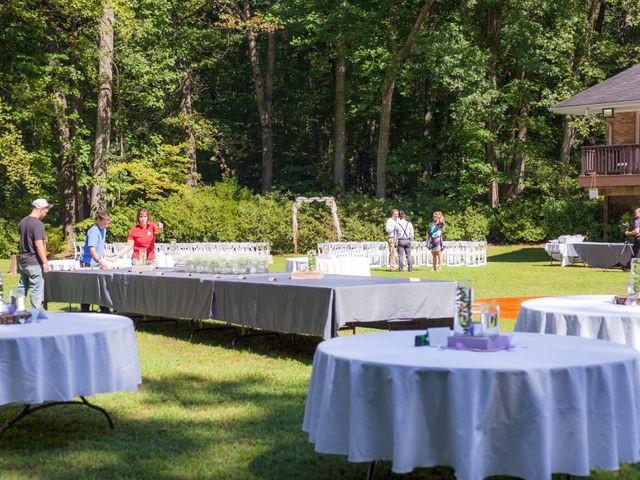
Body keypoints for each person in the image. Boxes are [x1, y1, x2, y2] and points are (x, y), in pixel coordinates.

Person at [18, 198, 52, 309]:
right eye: (46, 212)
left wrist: (43, 240)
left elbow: (25, 239)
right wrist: (45, 263)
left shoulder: (23, 221)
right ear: (41, 210)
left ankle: (18, 312)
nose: (46, 214)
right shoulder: (38, 224)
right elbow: (38, 245)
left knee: (22, 288)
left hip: (23, 261)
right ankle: (36, 316)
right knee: (36, 291)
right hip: (34, 262)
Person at [79, 211, 112, 313]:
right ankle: (85, 310)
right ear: (99, 220)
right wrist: (100, 260)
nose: (106, 225)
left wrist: (105, 253)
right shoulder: (93, 231)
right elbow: (92, 249)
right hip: (88, 262)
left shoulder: (104, 229)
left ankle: (104, 308)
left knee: (101, 286)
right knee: (88, 288)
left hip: (97, 261)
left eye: (108, 223)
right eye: (104, 223)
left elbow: (100, 244)